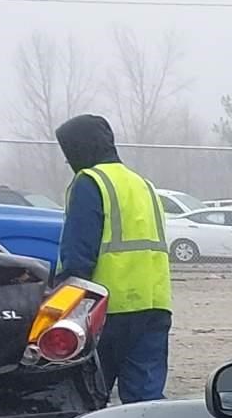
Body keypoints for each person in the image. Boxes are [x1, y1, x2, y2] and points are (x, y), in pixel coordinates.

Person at [52, 114, 173, 403]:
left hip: (105, 309)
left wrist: (61, 302)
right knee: (146, 402)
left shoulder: (89, 182)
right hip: (155, 306)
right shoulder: (143, 184)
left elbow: (78, 255)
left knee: (89, 396)